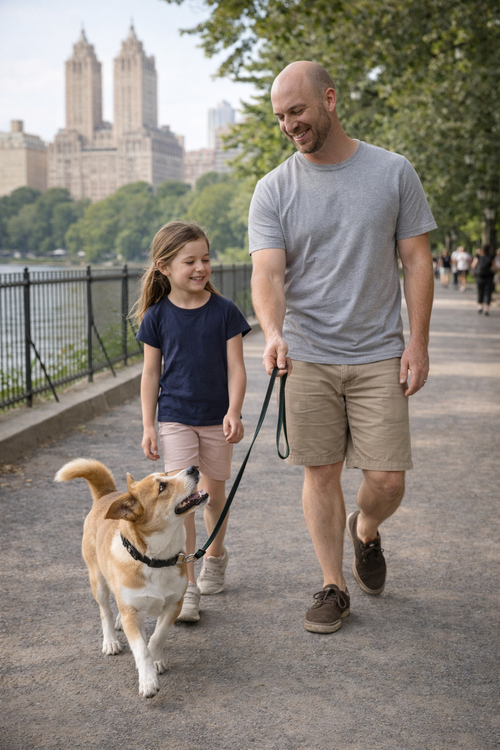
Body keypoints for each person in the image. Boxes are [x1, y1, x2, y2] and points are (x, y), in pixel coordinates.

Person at [249, 61, 437, 634]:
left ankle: (366, 529)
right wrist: (275, 333)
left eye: (298, 111)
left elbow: (416, 261)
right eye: (280, 116)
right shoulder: (274, 189)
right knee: (321, 472)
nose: (289, 125)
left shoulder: (392, 171)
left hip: (380, 349)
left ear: (329, 99)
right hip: (306, 352)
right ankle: (332, 585)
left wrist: (419, 342)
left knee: (387, 479)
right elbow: (267, 276)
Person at [134, 221, 250, 622]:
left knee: (214, 497)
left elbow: (237, 368)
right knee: (183, 504)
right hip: (176, 418)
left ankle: (214, 557)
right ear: (165, 267)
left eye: (205, 259)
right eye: (190, 261)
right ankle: (187, 586)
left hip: (218, 419)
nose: (201, 268)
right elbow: (150, 375)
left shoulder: (225, 312)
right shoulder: (156, 317)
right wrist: (149, 425)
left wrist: (234, 410)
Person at [471, 245, 494, 315]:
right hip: (489, 277)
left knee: (480, 291)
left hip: (480, 277)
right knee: (488, 293)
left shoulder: (478, 257)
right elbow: (495, 268)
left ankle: (480, 307)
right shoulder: (491, 257)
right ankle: (486, 309)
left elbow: (473, 265)